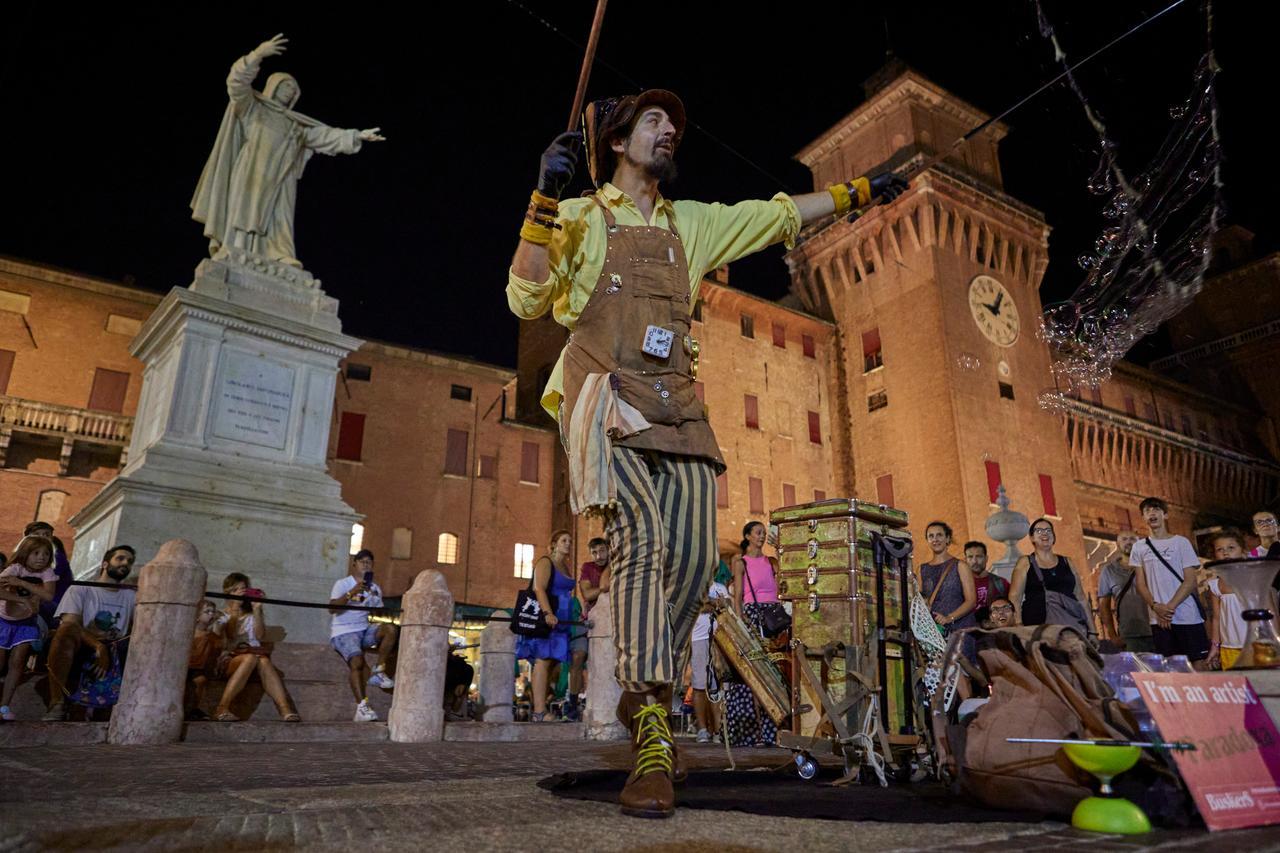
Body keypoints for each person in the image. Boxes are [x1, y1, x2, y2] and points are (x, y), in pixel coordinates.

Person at [507, 87, 907, 817]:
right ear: (619, 141)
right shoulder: (577, 217)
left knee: (693, 562)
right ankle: (653, 718)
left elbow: (777, 214)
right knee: (641, 539)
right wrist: (541, 196)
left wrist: (855, 193)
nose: (670, 132)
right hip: (604, 397)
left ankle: (644, 694)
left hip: (678, 406)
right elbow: (525, 299)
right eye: (654, 122)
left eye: (672, 125)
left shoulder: (690, 224)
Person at [191, 34, 384, 266]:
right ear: (273, 86)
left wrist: (356, 135)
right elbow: (236, 84)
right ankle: (237, 247)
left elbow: (324, 136)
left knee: (280, 218)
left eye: (294, 89)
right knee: (246, 207)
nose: (291, 91)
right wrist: (257, 55)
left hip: (283, 177)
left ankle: (277, 253)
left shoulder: (296, 124)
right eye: (286, 85)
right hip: (254, 169)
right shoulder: (253, 107)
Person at [43, 545, 136, 721]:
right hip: (85, 643)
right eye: (120, 558)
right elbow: (70, 625)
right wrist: (98, 646)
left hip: (116, 647)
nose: (126, 563)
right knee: (64, 633)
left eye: (130, 561)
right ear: (105, 564)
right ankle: (57, 702)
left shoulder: (131, 596)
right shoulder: (81, 588)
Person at [1130, 497, 1210, 661]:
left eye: (1156, 509)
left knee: (1199, 664)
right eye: (1147, 511)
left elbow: (1190, 581)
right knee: (1170, 668)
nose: (1152, 513)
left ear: (1165, 515)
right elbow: (1140, 583)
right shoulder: (1139, 547)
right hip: (1158, 619)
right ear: (1143, 518)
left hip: (1187, 615)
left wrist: (1168, 609)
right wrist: (1155, 606)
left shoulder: (1181, 543)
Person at [213, 573, 299, 722]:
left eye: (244, 589)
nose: (241, 592)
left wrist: (257, 609)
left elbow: (259, 636)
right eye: (236, 590)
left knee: (263, 661)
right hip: (230, 660)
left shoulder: (251, 614)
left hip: (254, 658)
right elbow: (232, 635)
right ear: (228, 592)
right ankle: (222, 708)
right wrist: (234, 608)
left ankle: (285, 710)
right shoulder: (221, 615)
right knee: (252, 658)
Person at [727, 523, 781, 747]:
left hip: (775, 617)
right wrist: (741, 624)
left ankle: (773, 732)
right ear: (747, 536)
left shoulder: (772, 561)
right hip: (753, 616)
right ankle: (751, 732)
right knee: (754, 676)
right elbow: (738, 596)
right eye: (758, 533)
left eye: (764, 533)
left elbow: (785, 582)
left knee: (775, 675)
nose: (762, 536)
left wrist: (780, 549)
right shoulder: (741, 562)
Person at [328, 549, 398, 723]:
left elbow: (377, 611)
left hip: (364, 629)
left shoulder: (374, 588)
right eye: (362, 561)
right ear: (354, 564)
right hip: (344, 631)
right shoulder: (343, 583)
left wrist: (374, 599)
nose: (366, 564)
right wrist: (352, 592)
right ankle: (362, 706)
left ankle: (379, 670)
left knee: (390, 629)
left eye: (369, 562)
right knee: (357, 662)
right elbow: (332, 608)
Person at [516, 530, 575, 722]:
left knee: (552, 662)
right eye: (564, 540)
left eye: (570, 541)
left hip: (562, 620)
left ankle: (540, 708)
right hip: (548, 617)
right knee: (542, 660)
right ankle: (539, 711)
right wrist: (548, 613)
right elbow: (538, 588)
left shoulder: (565, 567)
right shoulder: (545, 562)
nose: (568, 544)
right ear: (554, 544)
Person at [0, 536, 59, 720]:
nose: (41, 557)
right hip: (4, 620)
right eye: (36, 553)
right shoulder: (14, 569)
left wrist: (23, 584)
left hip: (26, 623)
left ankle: (4, 707)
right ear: (25, 553)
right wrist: (21, 599)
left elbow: (48, 596)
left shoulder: (47, 573)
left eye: (46, 554)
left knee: (17, 662)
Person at [1009, 518, 1089, 635]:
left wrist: (1092, 631)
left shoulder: (1067, 561)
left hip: (1071, 627)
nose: (1045, 533)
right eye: (1039, 531)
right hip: (1038, 627)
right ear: (1032, 538)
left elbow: (1081, 598)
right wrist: (1019, 625)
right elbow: (1015, 597)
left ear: (1054, 536)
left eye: (1048, 530)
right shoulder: (1025, 562)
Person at [691, 562, 730, 743]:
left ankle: (718, 730)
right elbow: (694, 607)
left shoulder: (720, 587)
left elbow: (726, 606)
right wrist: (713, 604)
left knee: (717, 685)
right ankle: (702, 729)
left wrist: (709, 603)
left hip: (719, 640)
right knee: (699, 684)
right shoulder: (692, 586)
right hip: (698, 639)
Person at [1097, 531, 1154, 652]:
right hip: (1128, 635)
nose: (1129, 542)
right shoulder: (1109, 571)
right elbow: (1104, 606)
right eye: (1124, 539)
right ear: (1117, 545)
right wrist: (1112, 635)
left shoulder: (1151, 566)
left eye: (1133, 539)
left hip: (1157, 631)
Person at [919, 522, 977, 633]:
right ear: (927, 540)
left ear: (948, 539)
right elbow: (921, 601)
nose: (935, 539)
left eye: (939, 535)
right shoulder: (921, 569)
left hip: (960, 630)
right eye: (931, 536)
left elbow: (971, 601)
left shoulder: (960, 566)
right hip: (934, 631)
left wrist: (949, 618)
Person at [1205, 530, 1249, 670]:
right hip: (1229, 649)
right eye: (1220, 549)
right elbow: (1216, 619)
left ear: (1243, 552)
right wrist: (1215, 646)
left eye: (1231, 548)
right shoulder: (1214, 585)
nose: (1225, 553)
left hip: (1255, 645)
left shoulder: (1255, 580)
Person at [963, 540, 1008, 612]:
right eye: (970, 557)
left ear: (986, 558)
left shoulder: (1000, 583)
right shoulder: (960, 585)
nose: (975, 561)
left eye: (979, 556)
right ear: (965, 560)